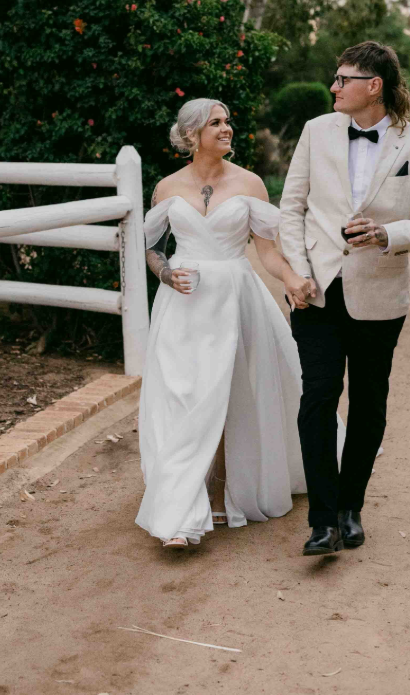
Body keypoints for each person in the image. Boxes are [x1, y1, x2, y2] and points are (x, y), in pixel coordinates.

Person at [136, 98, 344, 549]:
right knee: (183, 395)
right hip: (184, 307)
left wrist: (293, 278)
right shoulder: (166, 188)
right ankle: (182, 510)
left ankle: (225, 490)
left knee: (231, 393)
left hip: (235, 300)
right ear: (192, 135)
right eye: (216, 123)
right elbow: (151, 247)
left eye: (228, 121)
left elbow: (267, 251)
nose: (227, 129)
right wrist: (167, 274)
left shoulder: (250, 184)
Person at [279, 41, 410, 556]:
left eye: (343, 78)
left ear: (372, 85)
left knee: (370, 406)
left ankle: (351, 507)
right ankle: (322, 519)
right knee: (317, 400)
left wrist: (386, 234)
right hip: (317, 290)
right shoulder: (315, 132)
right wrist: (298, 274)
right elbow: (291, 209)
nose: (333, 86)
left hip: (381, 294)